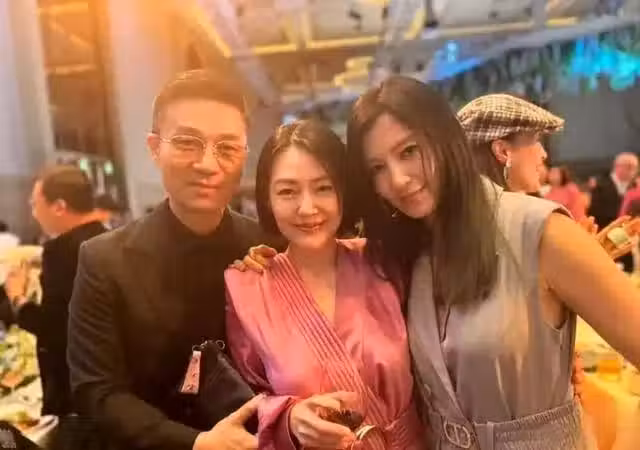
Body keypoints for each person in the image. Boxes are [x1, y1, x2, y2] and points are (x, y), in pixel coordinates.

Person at [344, 76, 640, 449]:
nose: (398, 180)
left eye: (409, 151)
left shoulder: (539, 230)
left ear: (445, 138)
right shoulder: (407, 254)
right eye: (377, 168)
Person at [67, 70, 269, 450]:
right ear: (154, 147)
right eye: (188, 143)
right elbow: (97, 391)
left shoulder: (267, 248)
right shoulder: (104, 260)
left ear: (244, 156)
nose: (208, 164)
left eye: (227, 148)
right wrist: (196, 443)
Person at [225, 120, 424, 449]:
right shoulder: (247, 289)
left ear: (343, 191)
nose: (307, 208)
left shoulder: (384, 262)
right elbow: (248, 401)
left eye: (323, 188)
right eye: (287, 191)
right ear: (267, 199)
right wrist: (289, 418)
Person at [458, 93, 640, 262]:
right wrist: (589, 263)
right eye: (535, 140)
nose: (543, 154)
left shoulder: (456, 220)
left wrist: (585, 262)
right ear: (503, 151)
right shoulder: (537, 219)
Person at [3, 165, 107, 449]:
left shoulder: (61, 251)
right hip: (113, 391)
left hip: (77, 397)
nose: (34, 213)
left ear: (59, 206)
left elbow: (55, 328)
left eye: (35, 204)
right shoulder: (109, 241)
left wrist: (17, 298)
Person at [589, 152, 638, 229]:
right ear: (617, 166)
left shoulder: (635, 186)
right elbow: (594, 213)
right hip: (604, 229)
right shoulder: (600, 185)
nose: (632, 171)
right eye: (629, 167)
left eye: (635, 168)